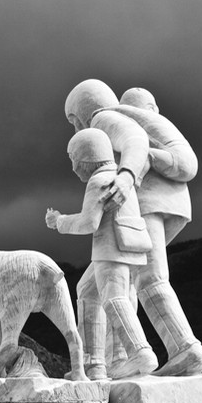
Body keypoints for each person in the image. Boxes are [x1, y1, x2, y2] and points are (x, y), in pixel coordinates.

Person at [64, 79, 202, 377]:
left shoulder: (103, 118)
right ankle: (103, 364)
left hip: (143, 206)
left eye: (72, 121)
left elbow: (135, 140)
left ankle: (185, 348)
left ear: (79, 115)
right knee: (90, 288)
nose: (77, 128)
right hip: (153, 206)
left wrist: (127, 176)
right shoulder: (119, 116)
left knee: (150, 278)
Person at [46, 128, 157, 379]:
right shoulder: (120, 178)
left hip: (110, 249)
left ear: (87, 158)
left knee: (114, 298)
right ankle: (94, 363)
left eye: (74, 161)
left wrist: (59, 221)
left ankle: (140, 352)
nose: (74, 169)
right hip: (131, 246)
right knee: (87, 290)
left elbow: (89, 223)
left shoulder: (99, 181)